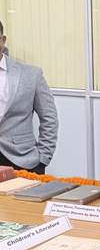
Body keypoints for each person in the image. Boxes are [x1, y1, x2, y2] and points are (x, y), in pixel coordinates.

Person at [0, 19, 58, 174]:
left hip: (22, 159)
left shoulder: (31, 74)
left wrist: (43, 157)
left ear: (3, 40)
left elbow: (49, 117)